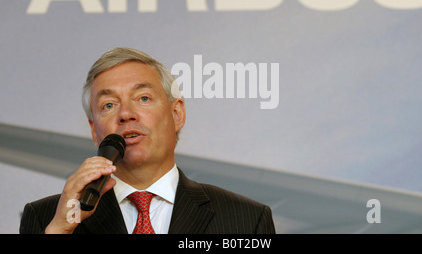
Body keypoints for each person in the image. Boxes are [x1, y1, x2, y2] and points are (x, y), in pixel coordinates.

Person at [19, 47, 276, 234]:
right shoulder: (46, 218)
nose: (126, 114)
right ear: (95, 131)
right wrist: (60, 229)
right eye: (108, 105)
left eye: (143, 98)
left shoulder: (245, 219)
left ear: (177, 114)